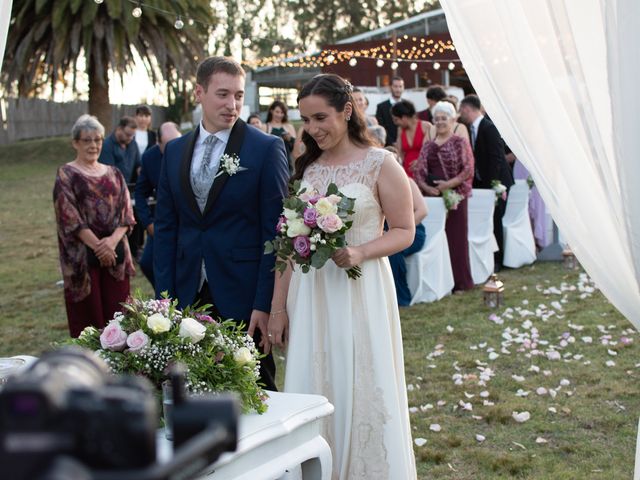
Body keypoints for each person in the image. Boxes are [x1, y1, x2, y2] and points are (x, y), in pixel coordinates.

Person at [267, 74, 417, 479]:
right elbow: (287, 244)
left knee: (362, 377)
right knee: (313, 377)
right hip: (310, 293)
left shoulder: (380, 163)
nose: (313, 129)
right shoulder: (307, 169)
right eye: (306, 120)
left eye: (321, 118)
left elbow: (405, 230)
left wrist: (360, 252)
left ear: (346, 111)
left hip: (361, 289)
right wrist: (278, 309)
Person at [154, 56, 289, 391]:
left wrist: (264, 304)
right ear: (199, 92)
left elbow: (275, 233)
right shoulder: (174, 150)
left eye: (239, 96)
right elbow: (167, 229)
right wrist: (164, 300)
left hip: (242, 293)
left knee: (255, 388)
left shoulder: (266, 148)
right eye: (223, 94)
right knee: (191, 386)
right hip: (187, 291)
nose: (232, 105)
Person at [53, 114, 136, 337]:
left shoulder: (114, 173)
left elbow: (127, 214)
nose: (93, 145)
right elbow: (69, 216)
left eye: (98, 139)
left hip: (115, 256)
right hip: (83, 260)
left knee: (120, 320)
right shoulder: (66, 174)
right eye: (87, 140)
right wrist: (100, 247)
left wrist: (111, 243)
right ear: (75, 143)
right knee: (90, 324)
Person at [415, 101, 475, 292]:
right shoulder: (428, 146)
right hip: (433, 199)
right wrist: (427, 188)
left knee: (457, 239)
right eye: (437, 119)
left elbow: (468, 169)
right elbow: (420, 171)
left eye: (444, 118)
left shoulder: (460, 142)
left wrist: (448, 185)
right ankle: (441, 282)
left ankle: (461, 282)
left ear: (452, 119)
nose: (440, 122)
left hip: (456, 197)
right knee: (438, 239)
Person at [458, 94, 514, 270]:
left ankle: (498, 259)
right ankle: (491, 256)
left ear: (467, 109)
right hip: (484, 183)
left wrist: (493, 185)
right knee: (489, 220)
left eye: (462, 111)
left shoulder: (488, 127)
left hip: (496, 183)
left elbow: (496, 158)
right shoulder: (474, 128)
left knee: (496, 220)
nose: (461, 114)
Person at [134, 122, 182, 287]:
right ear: (158, 144)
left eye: (178, 141)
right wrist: (148, 223)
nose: (175, 148)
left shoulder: (190, 153)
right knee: (147, 263)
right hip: (161, 223)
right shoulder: (149, 158)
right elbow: (140, 194)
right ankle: (164, 300)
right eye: (168, 145)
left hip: (186, 222)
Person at [386, 149, 428, 306]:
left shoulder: (409, 183)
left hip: (413, 231)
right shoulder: (380, 185)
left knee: (392, 249)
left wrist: (398, 231)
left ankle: (401, 298)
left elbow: (423, 211)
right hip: (386, 231)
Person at [391, 99, 431, 179]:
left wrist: (420, 162)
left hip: (425, 170)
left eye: (396, 120)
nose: (395, 123)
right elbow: (400, 153)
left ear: (404, 117)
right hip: (407, 172)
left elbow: (430, 151)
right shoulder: (400, 130)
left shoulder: (426, 126)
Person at [99, 116, 140, 184]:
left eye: (133, 135)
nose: (131, 138)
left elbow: (138, 165)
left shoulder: (133, 144)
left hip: (130, 188)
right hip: (113, 187)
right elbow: (108, 172)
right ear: (119, 129)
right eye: (128, 135)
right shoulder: (107, 145)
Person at [265, 100, 296, 167]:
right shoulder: (265, 127)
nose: (279, 115)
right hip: (270, 163)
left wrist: (290, 139)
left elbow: (295, 148)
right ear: (271, 111)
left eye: (282, 112)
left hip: (286, 163)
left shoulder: (289, 127)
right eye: (277, 112)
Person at [375, 75, 405, 146]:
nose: (398, 89)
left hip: (406, 145)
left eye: (400, 86)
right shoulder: (381, 107)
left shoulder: (408, 106)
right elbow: (381, 127)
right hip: (388, 146)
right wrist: (392, 143)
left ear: (403, 88)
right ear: (390, 87)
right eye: (395, 86)